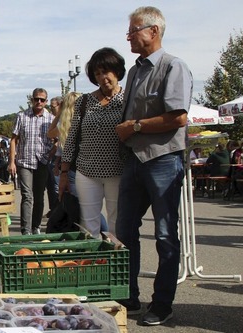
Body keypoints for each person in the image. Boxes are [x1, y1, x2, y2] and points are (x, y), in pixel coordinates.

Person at [114, 6, 193, 325]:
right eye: (129, 31)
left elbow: (178, 117)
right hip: (134, 160)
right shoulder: (134, 72)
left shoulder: (174, 66)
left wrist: (134, 127)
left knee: (164, 234)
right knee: (124, 231)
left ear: (154, 31)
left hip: (163, 160)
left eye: (134, 30)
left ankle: (162, 303)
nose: (129, 36)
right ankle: (129, 297)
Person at [60, 47, 126, 238]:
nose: (102, 77)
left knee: (116, 220)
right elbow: (72, 139)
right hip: (86, 170)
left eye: (106, 71)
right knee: (88, 223)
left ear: (117, 71)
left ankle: (115, 261)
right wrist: (64, 173)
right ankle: (94, 263)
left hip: (117, 170)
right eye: (97, 73)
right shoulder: (84, 102)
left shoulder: (128, 98)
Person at [8, 88, 55, 235]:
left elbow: (57, 141)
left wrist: (50, 155)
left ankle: (36, 227)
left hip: (42, 161)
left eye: (42, 99)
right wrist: (12, 162)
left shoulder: (51, 119)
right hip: (24, 161)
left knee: (39, 196)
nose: (39, 102)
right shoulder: (22, 116)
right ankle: (25, 230)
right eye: (36, 99)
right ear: (32, 100)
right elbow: (14, 139)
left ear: (46, 101)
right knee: (27, 196)